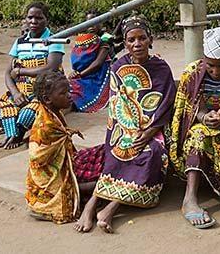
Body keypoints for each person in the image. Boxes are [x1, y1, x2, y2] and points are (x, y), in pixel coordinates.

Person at [74, 16, 176, 234]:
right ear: (126, 42)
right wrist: (128, 131)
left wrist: (148, 132)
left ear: (150, 40)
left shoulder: (161, 68)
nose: (137, 44)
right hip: (123, 126)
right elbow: (116, 105)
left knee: (152, 153)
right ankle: (93, 203)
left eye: (142, 38)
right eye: (131, 40)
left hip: (153, 129)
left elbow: (165, 104)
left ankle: (110, 207)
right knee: (119, 149)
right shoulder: (118, 66)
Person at [169, 27, 220, 229]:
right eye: (210, 65)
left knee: (214, 138)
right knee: (198, 136)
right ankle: (189, 199)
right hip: (195, 127)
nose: (215, 71)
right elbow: (192, 107)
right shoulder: (193, 74)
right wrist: (206, 118)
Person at [0, 2, 64, 150]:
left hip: (42, 92)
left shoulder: (55, 39)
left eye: (39, 18)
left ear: (47, 19)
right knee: (2, 115)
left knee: (26, 115)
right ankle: (13, 131)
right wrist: (15, 93)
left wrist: (20, 71)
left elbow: (51, 68)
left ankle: (16, 135)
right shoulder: (19, 42)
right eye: (30, 17)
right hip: (21, 91)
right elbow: (8, 73)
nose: (33, 21)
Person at [25, 71, 87, 223]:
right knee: (101, 179)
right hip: (50, 179)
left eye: (69, 91)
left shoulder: (53, 113)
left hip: (64, 164)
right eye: (63, 93)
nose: (69, 95)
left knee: (102, 153)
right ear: (47, 99)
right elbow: (36, 156)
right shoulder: (44, 126)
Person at [69, 9, 111, 113]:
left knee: (78, 95)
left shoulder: (104, 41)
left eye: (95, 23)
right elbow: (79, 60)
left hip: (97, 77)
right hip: (83, 75)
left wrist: (80, 74)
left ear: (101, 24)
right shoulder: (83, 41)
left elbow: (97, 64)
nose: (91, 27)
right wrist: (75, 72)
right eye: (89, 23)